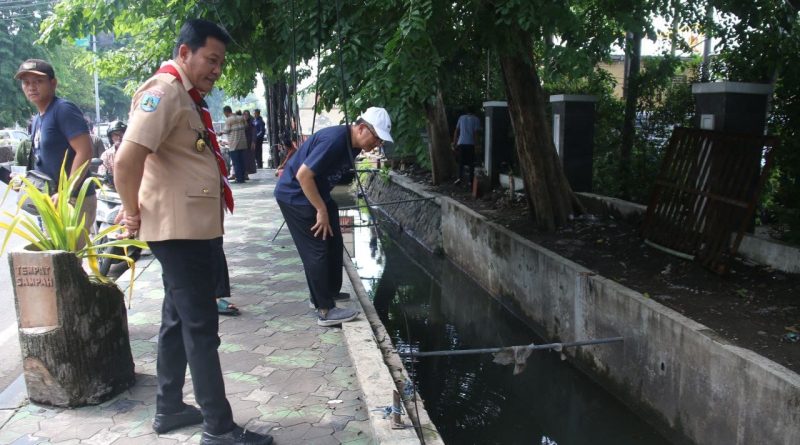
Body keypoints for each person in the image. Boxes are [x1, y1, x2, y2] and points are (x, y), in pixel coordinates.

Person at [113, 19, 272, 445]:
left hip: (188, 228)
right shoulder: (164, 91)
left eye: (220, 63)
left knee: (176, 318)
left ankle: (169, 407)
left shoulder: (185, 95)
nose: (216, 70)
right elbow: (125, 161)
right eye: (211, 60)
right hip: (179, 232)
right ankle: (218, 428)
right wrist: (130, 213)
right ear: (185, 53)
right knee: (201, 327)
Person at [274, 106, 392, 326]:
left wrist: (325, 207)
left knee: (334, 239)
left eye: (380, 141)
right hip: (296, 195)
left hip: (316, 193)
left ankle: (328, 292)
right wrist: (320, 210)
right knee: (316, 248)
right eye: (376, 138)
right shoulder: (335, 141)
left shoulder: (354, 146)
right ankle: (325, 310)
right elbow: (303, 175)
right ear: (362, 128)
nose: (377, 144)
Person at [15, 58, 96, 239]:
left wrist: (66, 191)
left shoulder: (63, 109)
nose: (31, 87)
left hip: (73, 200)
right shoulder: (37, 118)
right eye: (26, 82)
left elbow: (85, 151)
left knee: (69, 256)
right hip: (51, 201)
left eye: (38, 81)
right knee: (55, 256)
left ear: (53, 83)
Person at [452, 109, 482, 186]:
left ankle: (459, 178)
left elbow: (456, 131)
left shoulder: (461, 117)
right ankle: (470, 181)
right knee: (471, 163)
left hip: (461, 143)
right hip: (470, 144)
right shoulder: (476, 119)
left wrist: (454, 143)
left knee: (461, 162)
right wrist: (477, 145)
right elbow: (476, 133)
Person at [220, 106, 248, 183]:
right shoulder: (241, 118)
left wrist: (219, 133)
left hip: (234, 144)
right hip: (243, 143)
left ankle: (239, 179)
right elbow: (246, 126)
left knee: (236, 162)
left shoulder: (229, 119)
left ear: (226, 112)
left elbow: (226, 130)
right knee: (242, 161)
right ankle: (242, 177)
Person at [98, 120, 127, 184]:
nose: (119, 137)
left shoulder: (134, 153)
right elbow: (101, 176)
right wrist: (107, 178)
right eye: (116, 134)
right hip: (111, 188)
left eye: (122, 134)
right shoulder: (106, 155)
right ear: (111, 137)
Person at [242, 110, 257, 175]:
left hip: (250, 142)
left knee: (249, 158)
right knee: (244, 158)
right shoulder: (241, 122)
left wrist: (253, 141)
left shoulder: (251, 122)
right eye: (244, 114)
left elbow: (254, 132)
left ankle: (248, 172)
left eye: (247, 114)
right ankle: (245, 172)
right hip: (243, 142)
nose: (246, 116)